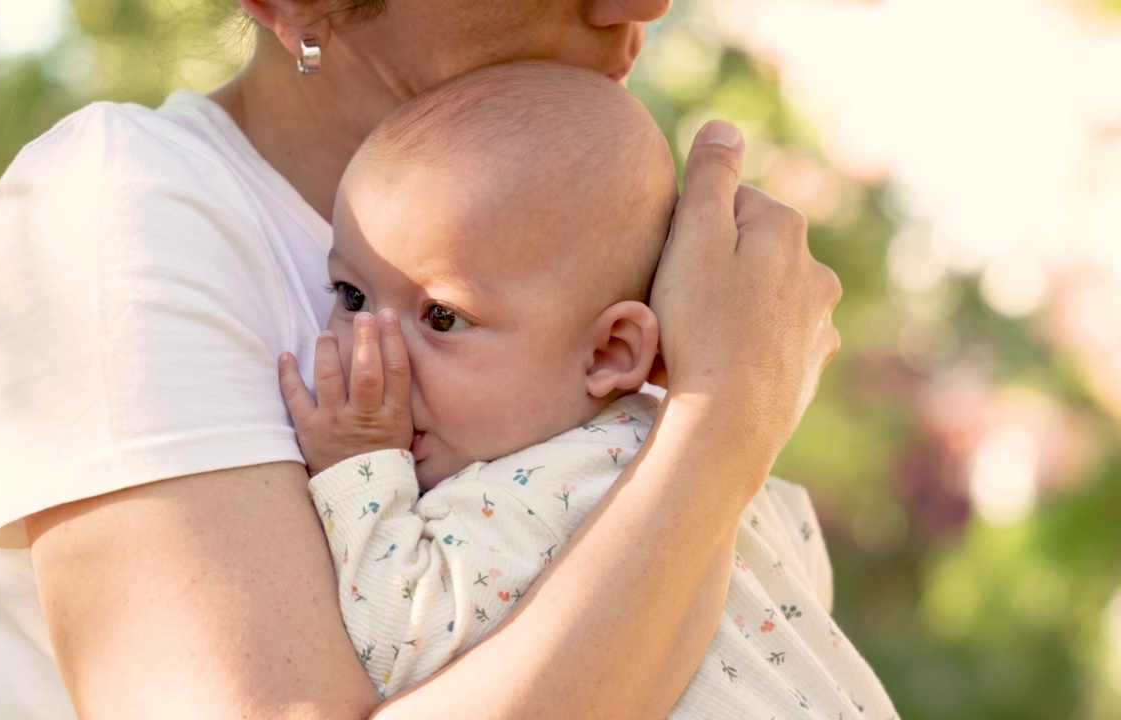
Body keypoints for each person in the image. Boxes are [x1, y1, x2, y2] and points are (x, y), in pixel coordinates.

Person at [0, 1, 843, 717]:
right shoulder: (120, 205)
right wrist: (724, 417)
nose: (641, 3)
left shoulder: (584, 257)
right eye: (353, 297)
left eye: (442, 315)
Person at [278, 61, 895, 717]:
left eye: (443, 317)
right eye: (351, 295)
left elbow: (395, 643)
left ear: (609, 351)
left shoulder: (521, 495)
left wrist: (358, 466)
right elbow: (804, 567)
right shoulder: (713, 469)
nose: (368, 350)